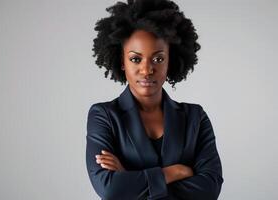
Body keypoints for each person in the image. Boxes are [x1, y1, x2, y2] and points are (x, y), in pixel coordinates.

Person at [86, 0, 224, 199]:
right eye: (135, 59)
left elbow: (210, 188)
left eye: (158, 59)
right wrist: (175, 172)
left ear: (171, 61)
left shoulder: (195, 117)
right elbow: (110, 190)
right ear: (122, 61)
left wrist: (128, 178)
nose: (147, 70)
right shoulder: (104, 116)